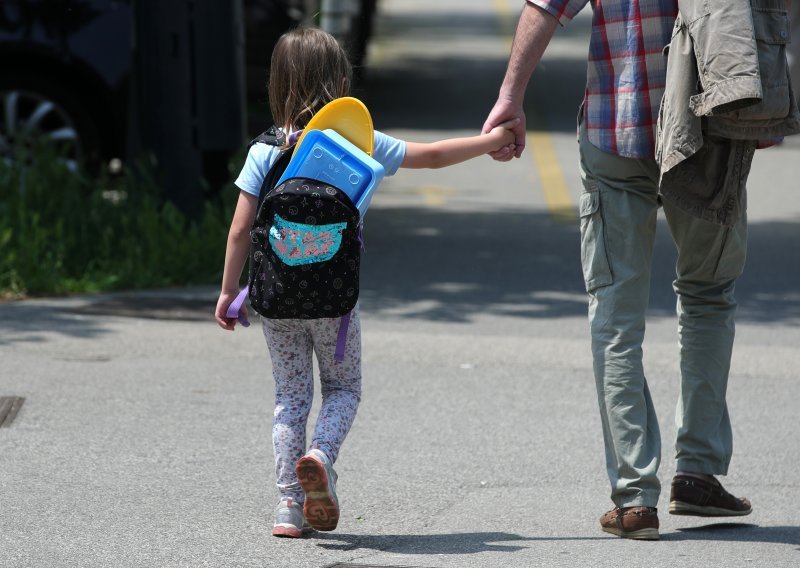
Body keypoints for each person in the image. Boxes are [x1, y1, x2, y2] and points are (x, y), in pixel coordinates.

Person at [215, 27, 516, 539]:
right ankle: (320, 456)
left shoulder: (264, 150)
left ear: (278, 83)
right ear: (340, 81)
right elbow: (436, 155)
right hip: (336, 303)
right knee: (344, 388)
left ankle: (288, 507)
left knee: (290, 398)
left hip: (277, 300)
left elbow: (241, 228)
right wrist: (493, 141)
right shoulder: (362, 143)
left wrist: (228, 293)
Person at [484, 1, 760, 540]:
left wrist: (510, 97)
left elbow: (545, 7)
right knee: (708, 293)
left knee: (615, 316)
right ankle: (697, 474)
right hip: (709, 128)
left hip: (617, 126)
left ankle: (636, 498)